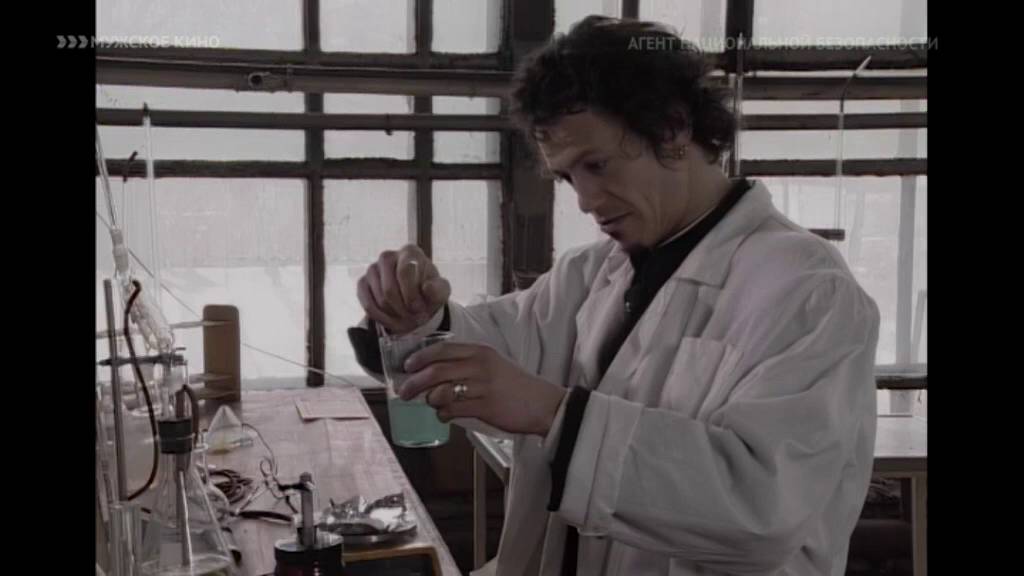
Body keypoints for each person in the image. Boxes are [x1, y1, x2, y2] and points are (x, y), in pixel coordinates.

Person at [347, 15, 879, 576]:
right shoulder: (595, 272)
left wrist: (552, 414)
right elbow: (502, 346)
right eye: (568, 177)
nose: (584, 199)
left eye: (597, 166)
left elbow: (761, 504)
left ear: (673, 129)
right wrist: (418, 320)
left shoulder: (807, 293)